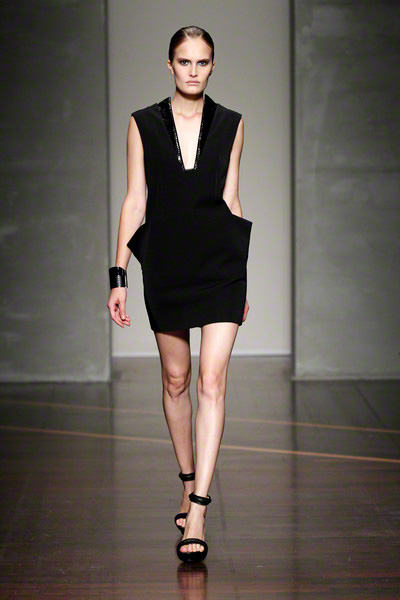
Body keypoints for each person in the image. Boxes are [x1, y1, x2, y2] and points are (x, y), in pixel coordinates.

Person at [107, 25, 252, 563]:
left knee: (212, 381)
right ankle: (187, 479)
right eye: (185, 61)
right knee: (176, 379)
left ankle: (198, 509)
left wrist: (242, 277)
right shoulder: (142, 123)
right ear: (169, 65)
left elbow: (232, 199)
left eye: (203, 61)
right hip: (167, 264)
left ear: (213, 65)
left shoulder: (232, 123)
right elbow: (135, 200)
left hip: (220, 266)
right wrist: (118, 275)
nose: (194, 71)